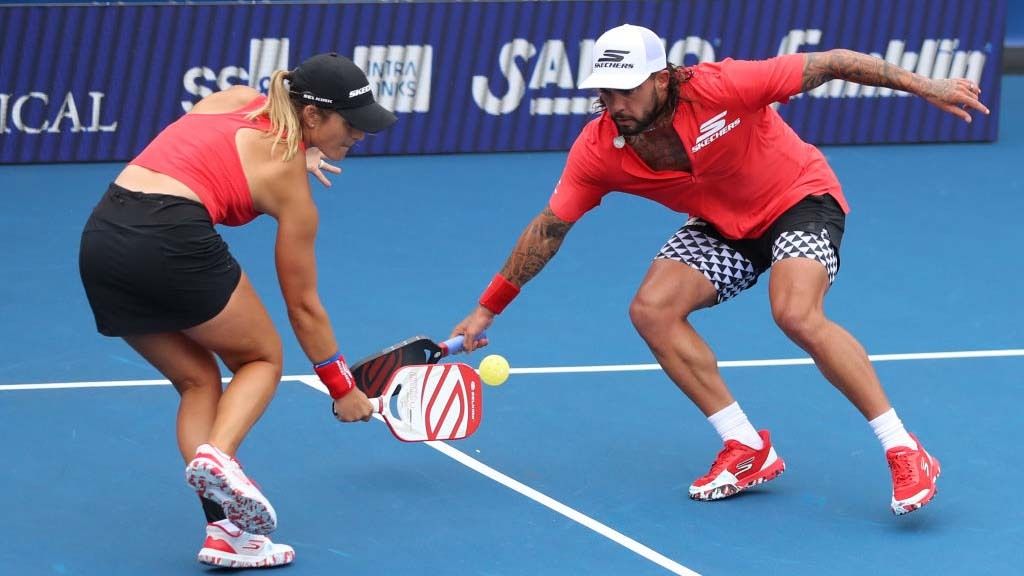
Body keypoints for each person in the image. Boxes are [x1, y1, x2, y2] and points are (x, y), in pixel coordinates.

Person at [452, 24, 989, 515]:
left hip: (797, 199)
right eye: (606, 92)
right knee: (652, 310)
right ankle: (746, 445)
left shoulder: (724, 86)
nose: (615, 104)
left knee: (795, 312)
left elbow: (834, 62)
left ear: (662, 79)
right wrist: (486, 309)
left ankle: (903, 446)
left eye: (628, 89)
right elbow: (549, 229)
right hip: (724, 226)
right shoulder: (598, 150)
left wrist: (926, 86)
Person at [78, 52, 393, 567]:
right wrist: (343, 389)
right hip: (171, 237)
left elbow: (200, 153)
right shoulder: (290, 186)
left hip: (102, 238)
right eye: (352, 124)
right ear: (313, 117)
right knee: (261, 359)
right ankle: (218, 455)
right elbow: (304, 307)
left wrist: (298, 152)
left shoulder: (232, 99)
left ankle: (225, 534)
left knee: (198, 381)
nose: (360, 135)